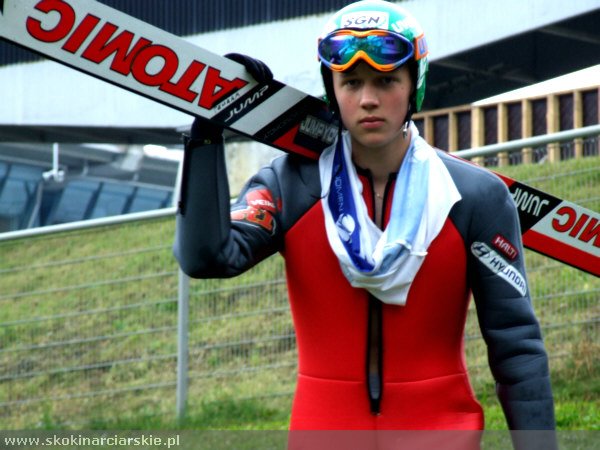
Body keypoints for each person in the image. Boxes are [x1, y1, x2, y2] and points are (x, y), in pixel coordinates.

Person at [174, 0, 556, 444]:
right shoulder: (290, 185)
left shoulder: (475, 196)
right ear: (331, 89)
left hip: (441, 433)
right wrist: (206, 136)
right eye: (351, 82)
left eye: (386, 80)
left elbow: (516, 345)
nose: (368, 99)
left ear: (414, 85)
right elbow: (206, 258)